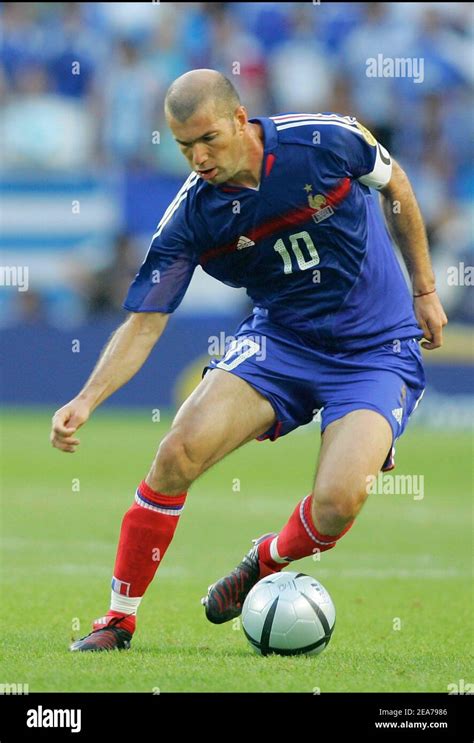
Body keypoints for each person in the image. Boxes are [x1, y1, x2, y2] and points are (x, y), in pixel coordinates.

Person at [50, 69, 448, 652]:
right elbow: (145, 320)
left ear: (241, 119)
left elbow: (398, 187)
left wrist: (425, 289)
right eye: (184, 146)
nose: (198, 157)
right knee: (177, 451)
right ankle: (117, 619)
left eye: (208, 139)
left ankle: (267, 559)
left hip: (376, 347)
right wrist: (87, 399)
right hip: (282, 341)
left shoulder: (324, 141)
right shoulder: (192, 216)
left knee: (339, 502)